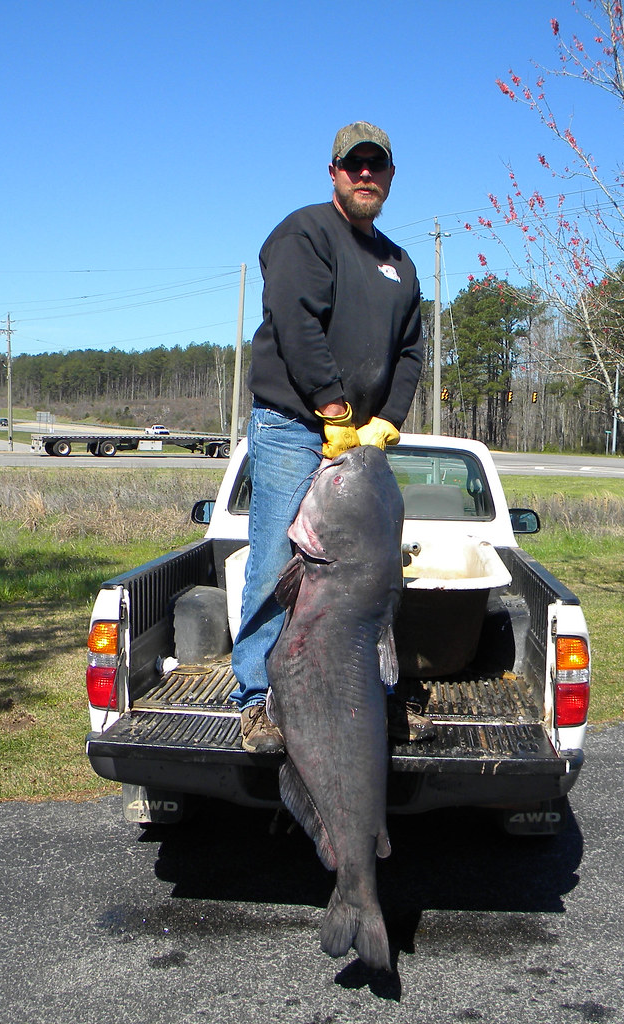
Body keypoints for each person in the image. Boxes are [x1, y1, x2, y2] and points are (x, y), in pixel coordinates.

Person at [231, 121, 429, 752]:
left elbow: (410, 353)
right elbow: (296, 321)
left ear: (391, 177)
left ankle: (376, 699)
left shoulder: (400, 263)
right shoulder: (305, 232)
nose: (365, 175)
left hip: (362, 443)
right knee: (275, 563)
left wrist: (386, 420)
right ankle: (257, 699)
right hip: (294, 426)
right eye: (354, 165)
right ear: (334, 172)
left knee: (373, 574)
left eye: (377, 166)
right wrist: (333, 408)